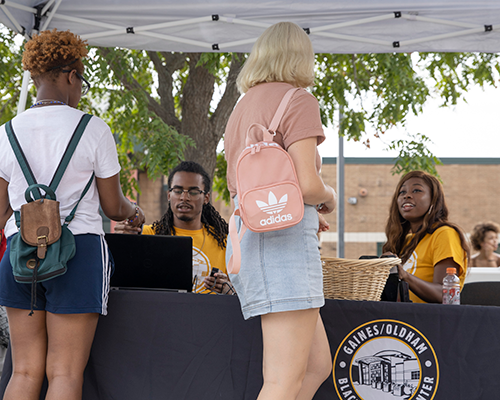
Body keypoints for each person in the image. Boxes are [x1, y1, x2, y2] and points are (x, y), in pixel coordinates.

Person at [0, 29, 145, 400]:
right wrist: (135, 211)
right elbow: (114, 208)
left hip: (20, 254)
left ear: (34, 77)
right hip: (77, 254)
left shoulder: (6, 134)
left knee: (24, 370)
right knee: (64, 373)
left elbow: (1, 212)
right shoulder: (93, 129)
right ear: (71, 75)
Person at [224, 22, 336, 400]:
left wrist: (303, 211)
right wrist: (329, 197)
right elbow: (307, 185)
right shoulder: (299, 99)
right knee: (282, 380)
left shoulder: (242, 107)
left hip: (251, 238)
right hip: (283, 248)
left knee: (317, 365)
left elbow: (245, 186)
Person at [115, 161, 232, 294]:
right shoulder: (146, 235)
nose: (184, 197)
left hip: (207, 313)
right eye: (178, 190)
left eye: (193, 192)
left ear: (206, 198)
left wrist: (228, 288)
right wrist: (122, 242)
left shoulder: (225, 242)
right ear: (169, 195)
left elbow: (243, 293)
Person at [383, 170, 470, 303]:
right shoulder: (404, 240)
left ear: (433, 200)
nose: (407, 196)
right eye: (402, 192)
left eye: (417, 190)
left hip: (429, 321)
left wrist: (405, 276)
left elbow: (445, 294)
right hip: (400, 320)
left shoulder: (444, 234)